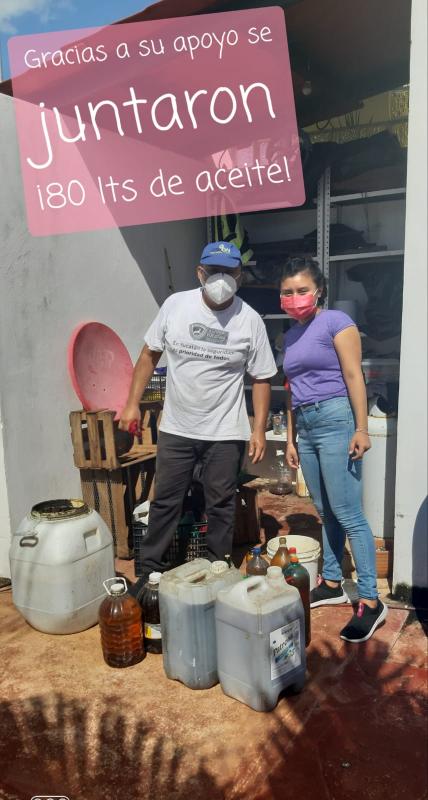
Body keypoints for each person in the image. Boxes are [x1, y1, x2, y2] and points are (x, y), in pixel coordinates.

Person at [120, 241, 277, 594]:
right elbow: (149, 355)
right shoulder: (175, 306)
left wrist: (259, 428)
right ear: (200, 273)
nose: (222, 278)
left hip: (225, 431)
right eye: (214, 271)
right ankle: (150, 572)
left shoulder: (250, 320)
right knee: (166, 501)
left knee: (221, 502)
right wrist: (132, 403)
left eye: (229, 271)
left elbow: (262, 377)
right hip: (178, 428)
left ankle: (218, 566)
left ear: (240, 275)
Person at [281, 256, 388, 643]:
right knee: (325, 511)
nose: (295, 298)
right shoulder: (290, 336)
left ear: (319, 291)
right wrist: (291, 438)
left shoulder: (337, 322)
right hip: (306, 425)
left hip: (335, 419)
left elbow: (353, 374)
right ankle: (330, 581)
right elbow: (290, 389)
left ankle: (371, 601)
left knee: (348, 513)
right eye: (287, 292)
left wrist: (361, 428)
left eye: (302, 290)